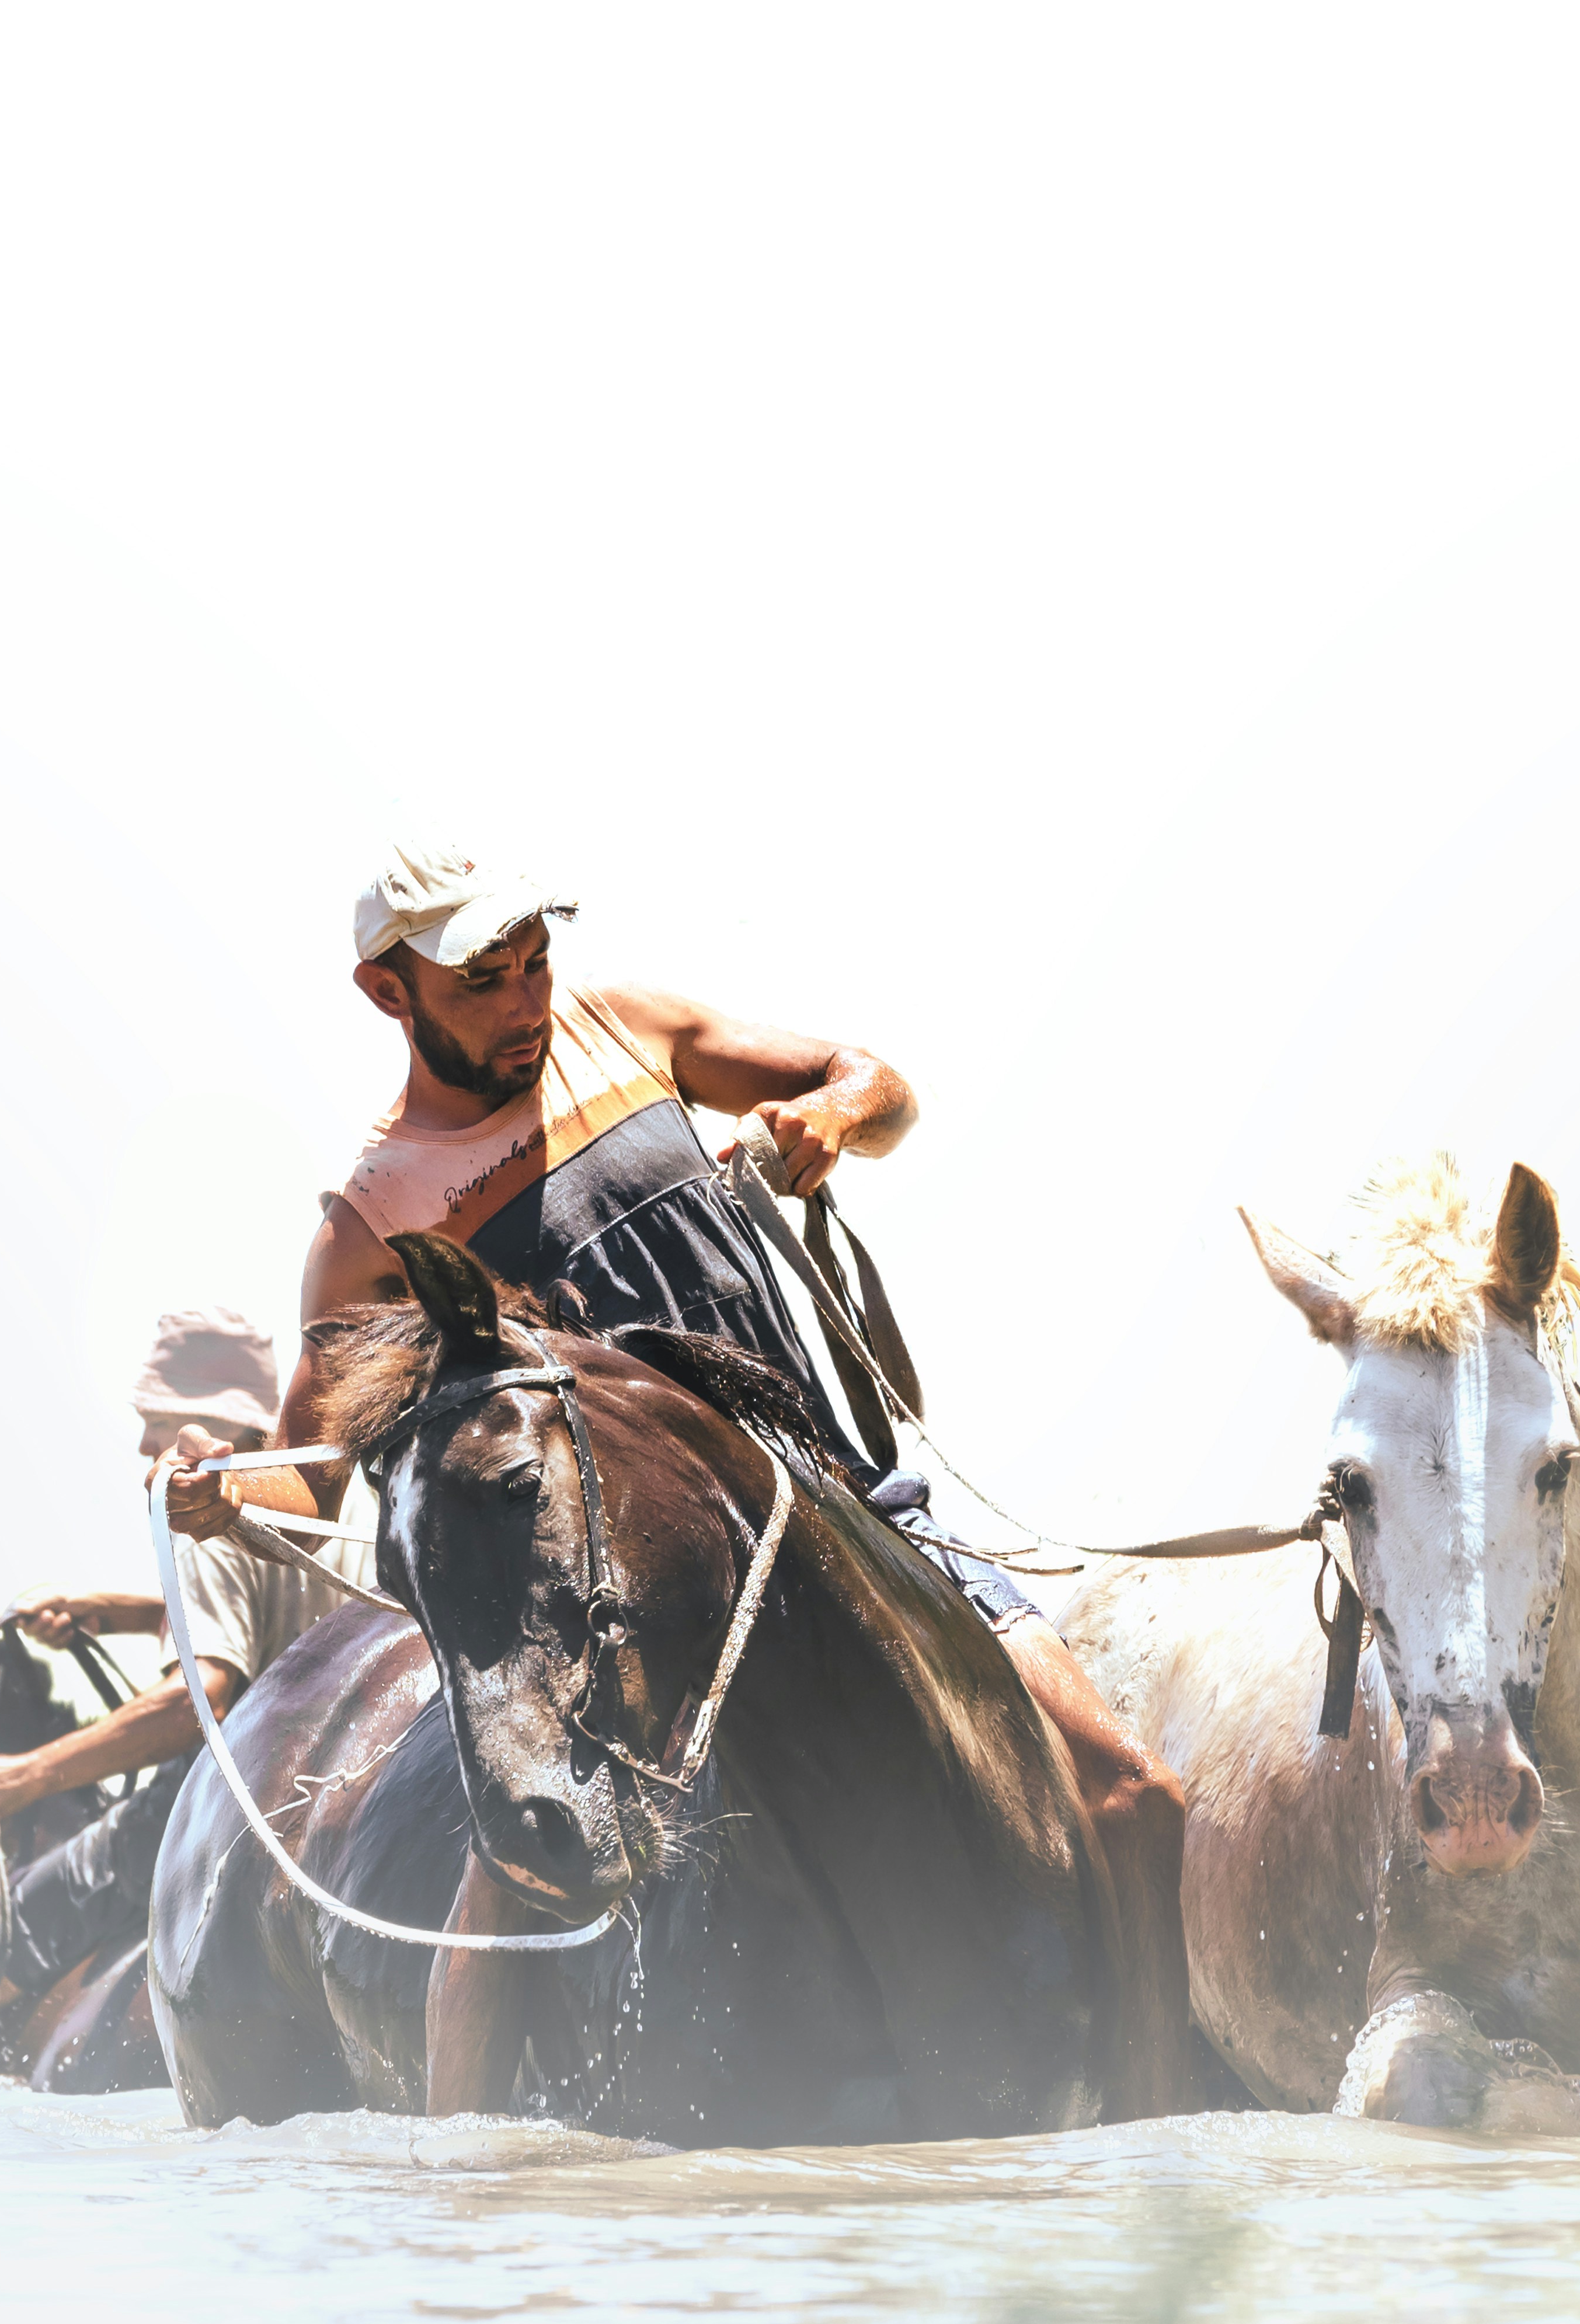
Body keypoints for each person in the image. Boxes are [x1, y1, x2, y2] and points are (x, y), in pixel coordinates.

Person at [162, 840, 1193, 2117]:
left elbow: (870, 1083)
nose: (527, 1000)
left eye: (536, 962)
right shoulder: (370, 1223)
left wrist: (833, 1117)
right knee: (516, 1882)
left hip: (843, 1517)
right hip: (623, 1613)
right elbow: (309, 1480)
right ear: (391, 996)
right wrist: (220, 1492)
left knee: (1135, 1796)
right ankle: (471, 2194)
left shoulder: (629, 1030)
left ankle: (1156, 2139)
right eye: (483, 981)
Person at [0, 1311, 373, 2060]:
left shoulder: (201, 1497)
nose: (146, 1444)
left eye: (156, 1419)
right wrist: (110, 1613)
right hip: (341, 1785)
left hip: (230, 1800)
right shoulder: (316, 1496)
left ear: (205, 1421)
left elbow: (201, 1697)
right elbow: (274, 1627)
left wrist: (21, 1779)